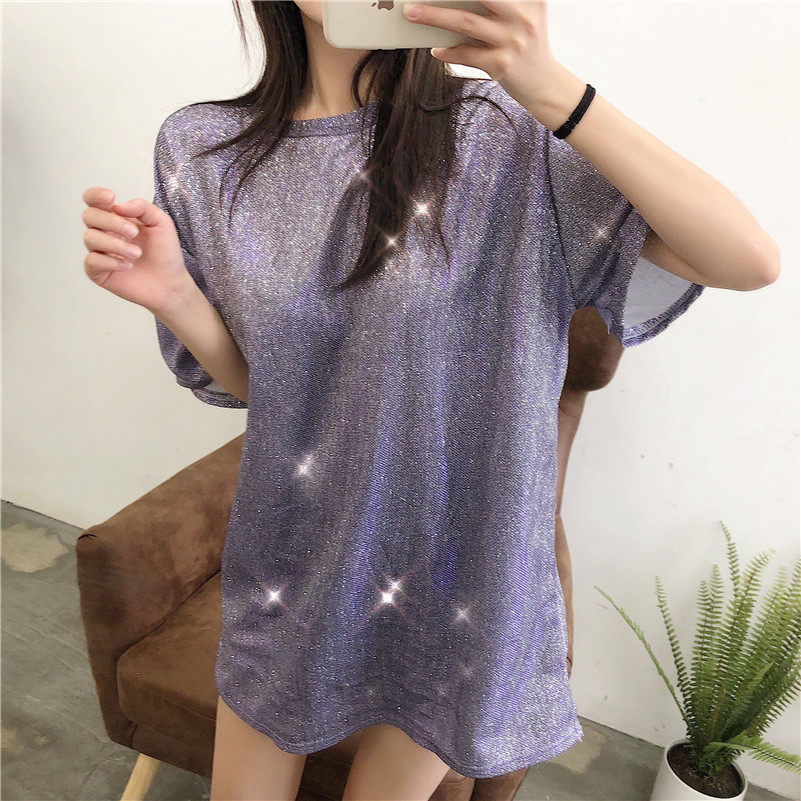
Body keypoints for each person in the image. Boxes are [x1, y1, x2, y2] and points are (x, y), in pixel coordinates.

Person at [80, 2, 780, 799]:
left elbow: (746, 259)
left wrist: (549, 87)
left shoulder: (503, 133)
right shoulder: (203, 150)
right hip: (295, 553)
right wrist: (176, 295)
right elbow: (280, 398)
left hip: (455, 573)